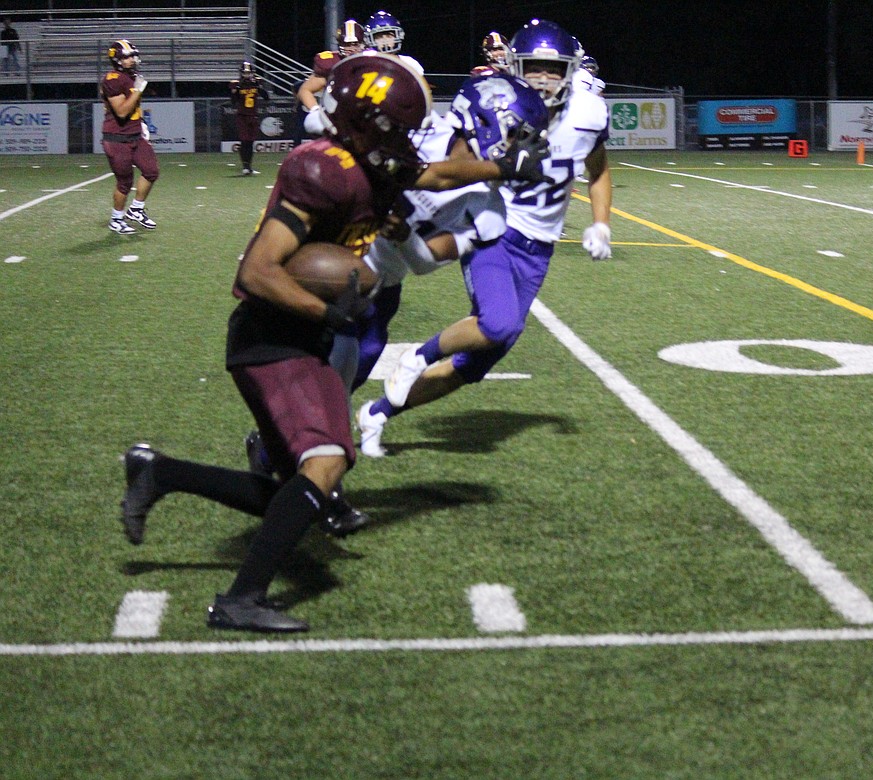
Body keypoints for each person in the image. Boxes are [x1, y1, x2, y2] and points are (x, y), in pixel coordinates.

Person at [119, 52, 551, 633]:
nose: (407, 142)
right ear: (371, 125)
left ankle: (161, 474)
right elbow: (257, 272)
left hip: (295, 335)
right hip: (275, 335)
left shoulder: (366, 159)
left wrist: (502, 170)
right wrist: (329, 311)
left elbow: (434, 176)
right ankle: (240, 599)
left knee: (295, 486)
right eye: (398, 129)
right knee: (326, 461)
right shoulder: (322, 169)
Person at [357, 19, 613, 455]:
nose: (544, 78)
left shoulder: (589, 112)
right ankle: (415, 358)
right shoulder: (496, 103)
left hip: (540, 248)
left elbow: (599, 168)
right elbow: (449, 165)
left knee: (474, 363)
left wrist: (601, 221)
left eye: (554, 69)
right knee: (498, 322)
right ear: (515, 65)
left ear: (573, 70)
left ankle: (377, 413)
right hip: (494, 228)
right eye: (534, 67)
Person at [100, 40, 159, 235]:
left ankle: (136, 209)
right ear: (117, 60)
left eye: (134, 55)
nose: (133, 59)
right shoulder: (112, 79)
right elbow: (122, 111)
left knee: (151, 171)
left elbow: (133, 109)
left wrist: (141, 124)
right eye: (128, 56)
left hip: (135, 135)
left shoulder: (130, 76)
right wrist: (139, 89)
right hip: (117, 138)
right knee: (124, 183)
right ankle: (116, 219)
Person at [297, 19, 364, 137]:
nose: (352, 49)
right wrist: (317, 112)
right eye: (347, 44)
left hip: (365, 119)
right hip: (338, 120)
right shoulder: (331, 64)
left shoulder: (371, 60)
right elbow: (304, 90)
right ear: (340, 44)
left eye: (355, 44)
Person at [229, 61, 269, 175]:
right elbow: (233, 102)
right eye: (245, 73)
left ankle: (249, 166)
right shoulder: (237, 84)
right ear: (241, 73)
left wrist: (259, 87)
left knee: (251, 142)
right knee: (244, 140)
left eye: (249, 73)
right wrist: (234, 92)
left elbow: (266, 98)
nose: (247, 75)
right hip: (242, 115)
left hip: (253, 115)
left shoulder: (256, 83)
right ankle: (245, 166)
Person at [363, 10, 423, 75]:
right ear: (370, 40)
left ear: (398, 36)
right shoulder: (366, 64)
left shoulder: (410, 63)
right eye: (379, 37)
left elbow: (421, 84)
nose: (385, 40)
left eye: (389, 36)